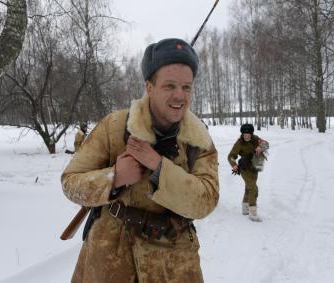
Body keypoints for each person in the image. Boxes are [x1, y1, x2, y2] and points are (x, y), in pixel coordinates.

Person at [61, 38, 219, 283]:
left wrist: (158, 167)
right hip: (109, 261)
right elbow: (70, 183)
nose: (180, 96)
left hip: (174, 267)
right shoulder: (114, 127)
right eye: (169, 86)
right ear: (149, 86)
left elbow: (206, 200)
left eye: (186, 87)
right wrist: (114, 178)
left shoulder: (199, 140)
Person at [228, 123, 269, 222]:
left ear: (251, 134)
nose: (246, 136)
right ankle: (252, 212)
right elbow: (231, 156)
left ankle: (245, 209)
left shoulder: (256, 138)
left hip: (255, 166)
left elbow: (266, 144)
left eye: (248, 134)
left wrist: (261, 146)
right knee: (253, 188)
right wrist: (234, 164)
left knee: (249, 187)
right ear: (242, 134)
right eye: (244, 134)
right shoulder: (239, 142)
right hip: (244, 168)